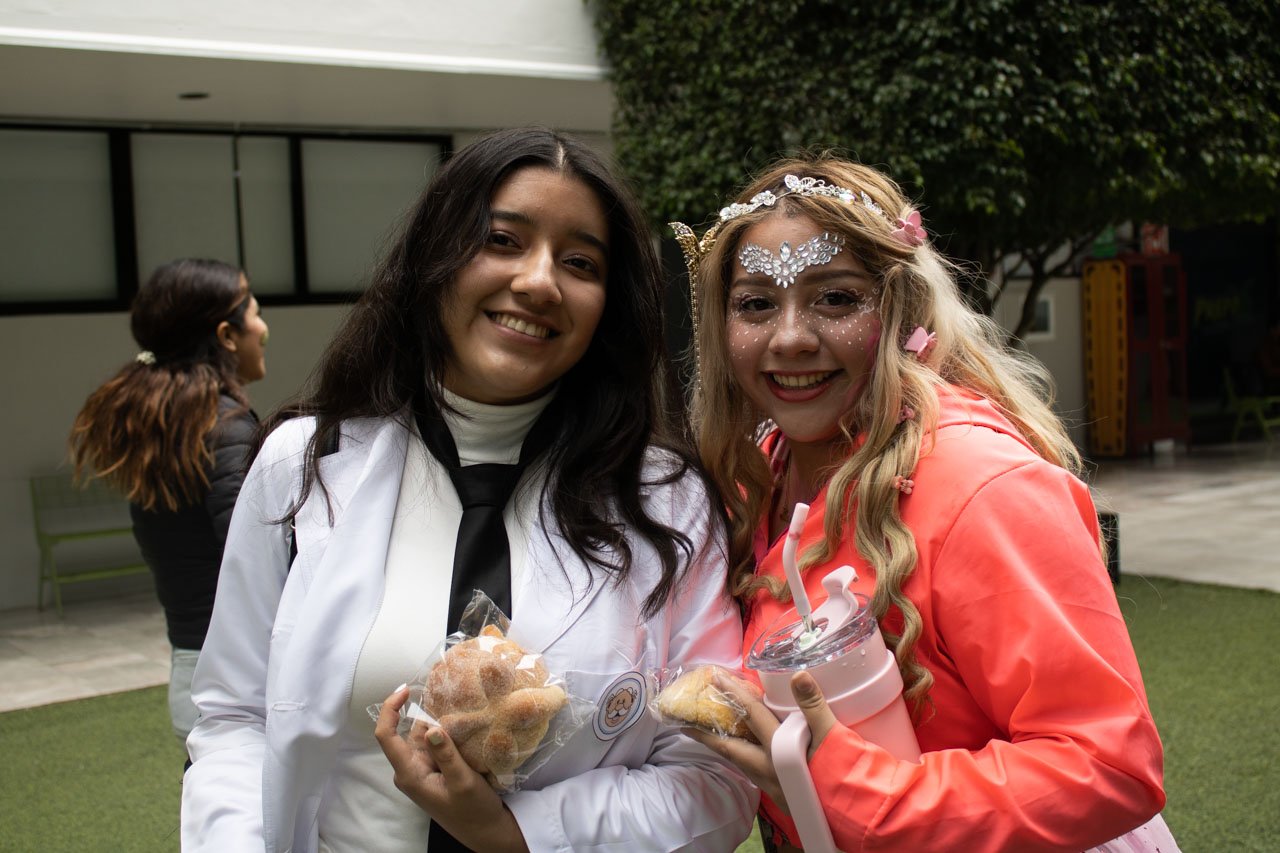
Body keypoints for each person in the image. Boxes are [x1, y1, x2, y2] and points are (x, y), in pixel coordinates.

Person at [180, 128, 757, 852]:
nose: (540, 281)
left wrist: (521, 834)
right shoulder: (305, 467)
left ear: (608, 302)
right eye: (503, 240)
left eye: (579, 261)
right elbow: (236, 715)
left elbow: (715, 772)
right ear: (435, 261)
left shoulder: (665, 503)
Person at [674, 157, 1172, 851]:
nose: (790, 335)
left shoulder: (981, 485)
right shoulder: (756, 478)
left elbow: (1108, 763)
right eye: (756, 302)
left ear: (899, 306)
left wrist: (844, 787)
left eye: (836, 298)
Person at [68, 258, 268, 747]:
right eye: (257, 313)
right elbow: (259, 561)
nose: (264, 329)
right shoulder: (223, 428)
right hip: (239, 682)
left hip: (191, 670)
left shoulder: (168, 425)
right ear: (226, 335)